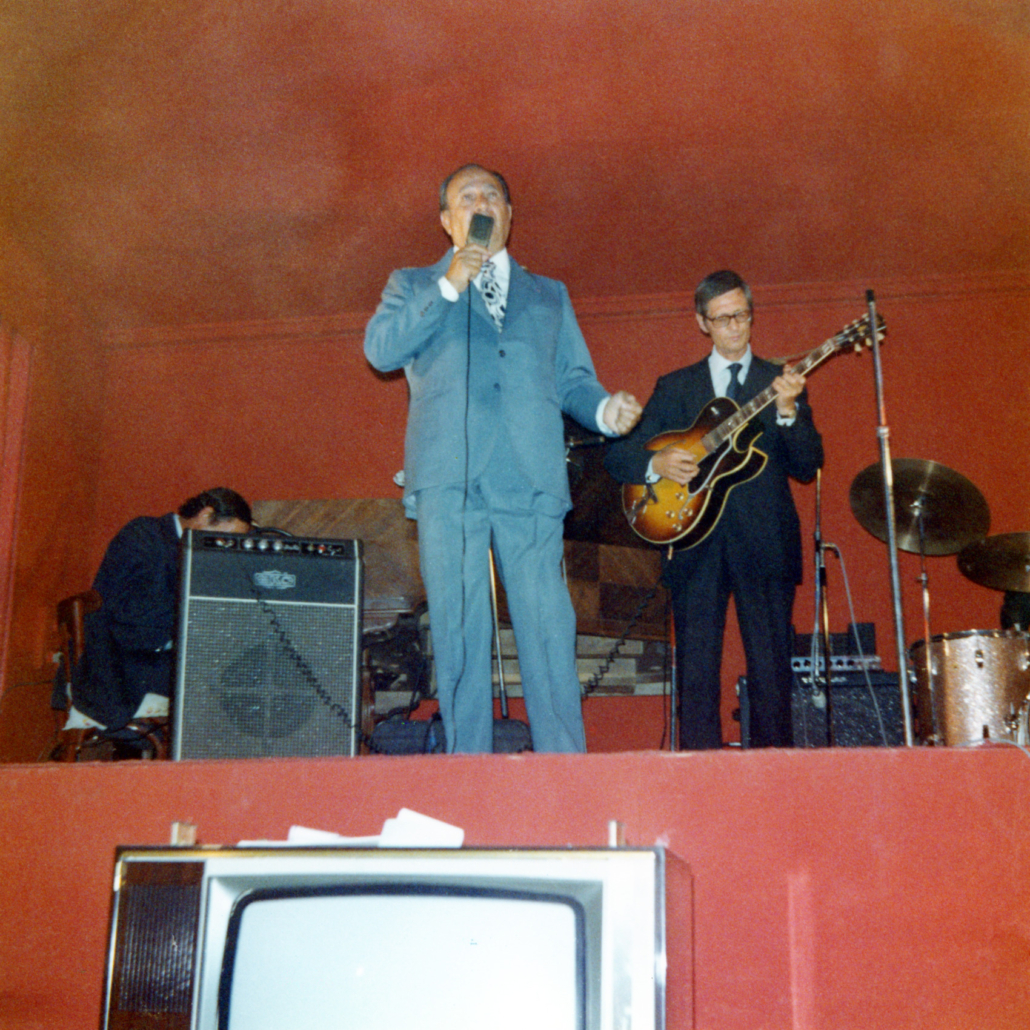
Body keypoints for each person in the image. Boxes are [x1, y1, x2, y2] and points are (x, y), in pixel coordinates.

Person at [364, 163, 641, 754]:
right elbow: (381, 351)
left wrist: (603, 410)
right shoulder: (413, 284)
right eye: (466, 196)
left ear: (509, 216)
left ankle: (564, 767)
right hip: (449, 477)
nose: (481, 202)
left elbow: (573, 379)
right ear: (447, 221)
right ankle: (469, 768)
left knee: (548, 625)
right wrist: (449, 286)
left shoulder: (549, 294)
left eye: (491, 194)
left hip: (530, 477)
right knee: (459, 625)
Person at [605, 270, 823, 748]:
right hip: (692, 545)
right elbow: (618, 457)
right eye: (722, 319)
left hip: (765, 544)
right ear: (702, 323)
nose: (734, 327)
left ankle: (772, 777)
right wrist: (657, 462)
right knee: (696, 675)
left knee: (772, 673)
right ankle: (697, 780)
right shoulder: (676, 387)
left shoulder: (777, 381)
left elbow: (807, 465)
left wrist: (788, 411)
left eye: (741, 315)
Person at [68, 487, 252, 732]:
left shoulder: (191, 550)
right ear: (206, 515)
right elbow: (129, 616)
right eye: (225, 539)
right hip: (119, 662)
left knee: (242, 670)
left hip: (153, 656)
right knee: (224, 682)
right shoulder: (143, 535)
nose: (225, 548)